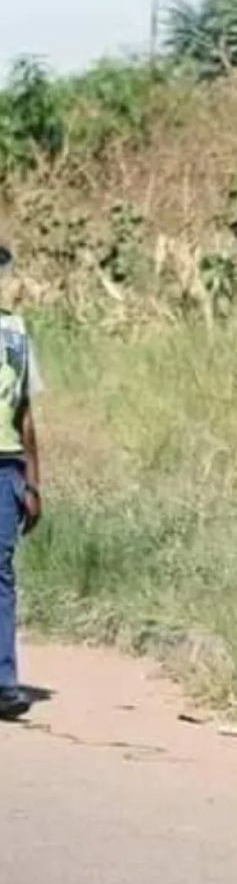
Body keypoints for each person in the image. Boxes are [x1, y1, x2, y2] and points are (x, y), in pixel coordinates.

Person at [0, 245, 44, 722]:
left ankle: (4, 682)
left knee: (0, 574)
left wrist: (34, 481)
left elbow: (27, 413)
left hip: (5, 466)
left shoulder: (14, 333)